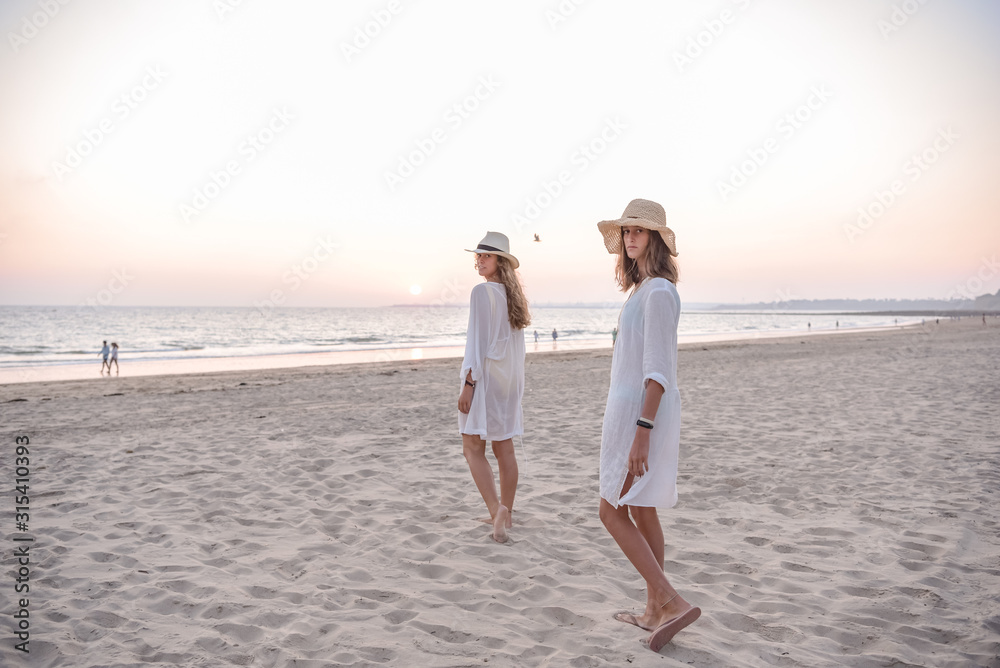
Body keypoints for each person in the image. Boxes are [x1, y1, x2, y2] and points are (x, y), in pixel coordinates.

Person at [595, 199, 700, 652]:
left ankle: (669, 600)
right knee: (641, 508)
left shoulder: (658, 292)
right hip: (627, 410)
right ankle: (654, 610)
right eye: (626, 231)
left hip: (638, 413)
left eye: (639, 230)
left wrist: (642, 431)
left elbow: (658, 371)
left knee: (610, 510)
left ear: (655, 239)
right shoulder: (640, 291)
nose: (631, 237)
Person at [457, 231, 530, 543]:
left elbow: (477, 343)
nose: (480, 260)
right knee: (504, 447)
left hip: (486, 379)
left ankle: (495, 508)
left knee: (472, 447)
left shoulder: (481, 293)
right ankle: (507, 513)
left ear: (501, 262)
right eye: (479, 256)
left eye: (486, 256)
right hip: (509, 381)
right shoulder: (513, 298)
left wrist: (468, 384)